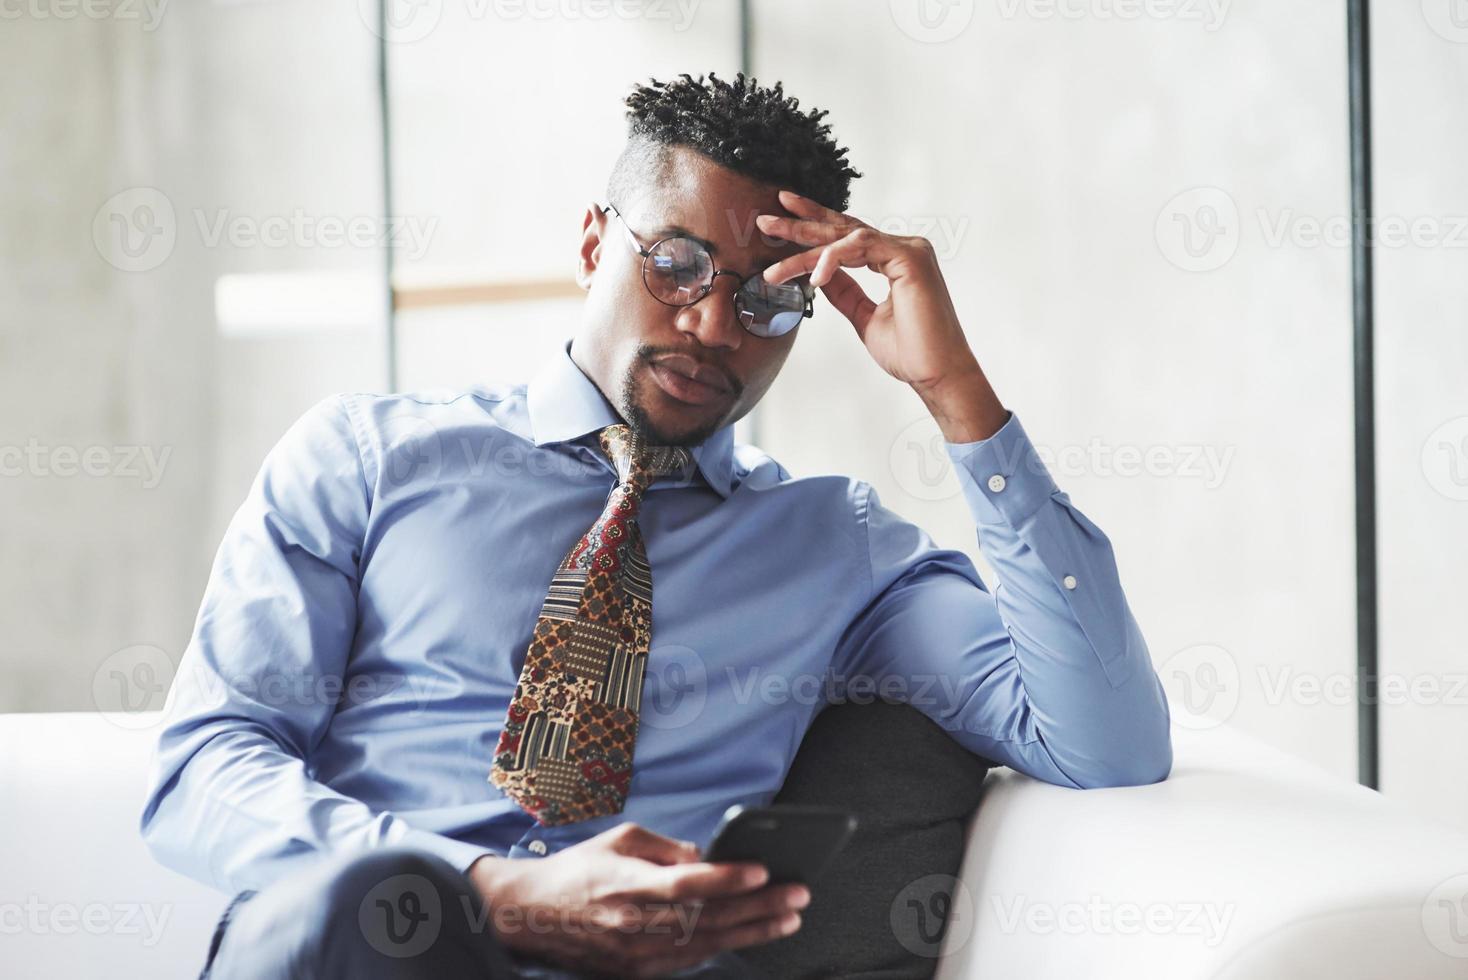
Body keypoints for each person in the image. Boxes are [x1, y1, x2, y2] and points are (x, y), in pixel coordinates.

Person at [140, 71, 1172, 979]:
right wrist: (490, 889)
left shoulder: (837, 546)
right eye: (676, 263)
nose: (714, 325)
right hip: (366, 945)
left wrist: (957, 394)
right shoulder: (365, 459)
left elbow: (1105, 740)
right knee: (372, 914)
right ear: (594, 241)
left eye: (768, 302)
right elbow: (204, 768)